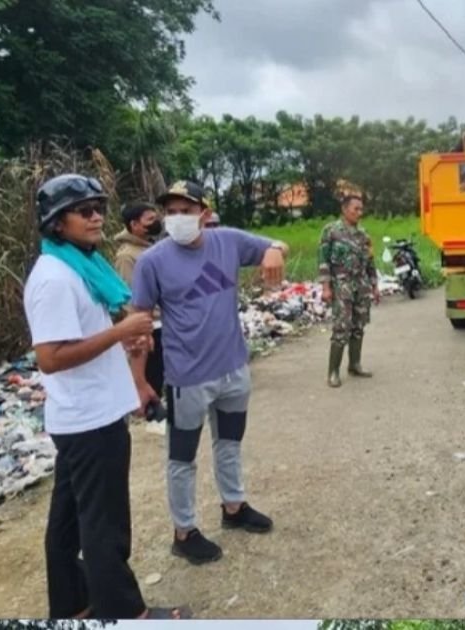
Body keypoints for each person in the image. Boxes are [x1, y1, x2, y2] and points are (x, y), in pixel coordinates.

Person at [24, 174, 191, 620]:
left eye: (98, 207)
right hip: (90, 421)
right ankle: (125, 613)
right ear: (58, 223)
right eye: (84, 211)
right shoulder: (56, 279)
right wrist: (121, 331)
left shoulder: (81, 268)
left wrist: (124, 347)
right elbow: (51, 357)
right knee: (104, 525)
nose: (96, 216)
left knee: (68, 524)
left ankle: (73, 604)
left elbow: (82, 338)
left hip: (83, 416)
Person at [129, 180, 289, 565]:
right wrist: (138, 382)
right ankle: (183, 532)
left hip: (233, 368)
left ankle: (233, 508)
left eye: (186, 210)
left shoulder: (228, 242)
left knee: (230, 444)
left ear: (204, 213)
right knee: (182, 458)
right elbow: (138, 324)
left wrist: (272, 251)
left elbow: (278, 245)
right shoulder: (152, 262)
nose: (177, 218)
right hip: (187, 377)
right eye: (171, 211)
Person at [319, 194, 380, 387]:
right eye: (356, 209)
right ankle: (333, 372)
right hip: (341, 285)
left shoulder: (363, 234)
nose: (359, 213)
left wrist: (374, 285)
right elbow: (323, 261)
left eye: (361, 209)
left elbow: (370, 261)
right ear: (345, 209)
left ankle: (354, 364)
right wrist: (326, 287)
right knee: (341, 328)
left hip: (360, 286)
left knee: (358, 327)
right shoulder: (331, 231)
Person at [114, 201, 165, 404]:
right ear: (134, 225)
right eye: (150, 219)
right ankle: (149, 410)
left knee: (161, 368)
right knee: (152, 371)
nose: (156, 222)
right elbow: (129, 295)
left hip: (161, 320)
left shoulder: (150, 248)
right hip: (149, 323)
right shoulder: (127, 256)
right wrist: (140, 328)